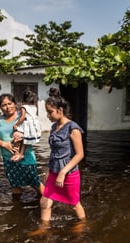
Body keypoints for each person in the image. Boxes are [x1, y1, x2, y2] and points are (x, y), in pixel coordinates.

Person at [32, 87, 86, 233]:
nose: (48, 116)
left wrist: (62, 172)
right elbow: (54, 152)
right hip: (54, 171)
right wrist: (50, 171)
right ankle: (43, 229)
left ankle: (82, 226)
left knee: (74, 204)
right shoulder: (54, 127)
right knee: (44, 201)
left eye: (50, 112)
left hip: (68, 173)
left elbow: (80, 154)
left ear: (60, 110)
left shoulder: (73, 129)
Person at [0, 93, 41, 196]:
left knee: (35, 184)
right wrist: (4, 144)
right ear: (0, 107)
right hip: (8, 159)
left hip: (25, 157)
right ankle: (18, 209)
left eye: (10, 103)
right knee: (15, 185)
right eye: (4, 105)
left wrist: (23, 135)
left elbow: (34, 130)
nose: (7, 107)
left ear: (15, 103)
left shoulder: (21, 116)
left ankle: (48, 204)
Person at [11, 89, 42, 162]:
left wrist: (16, 124)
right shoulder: (34, 107)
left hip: (26, 125)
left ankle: (16, 153)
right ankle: (21, 154)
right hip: (33, 126)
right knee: (25, 140)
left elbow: (22, 117)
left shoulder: (23, 107)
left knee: (16, 137)